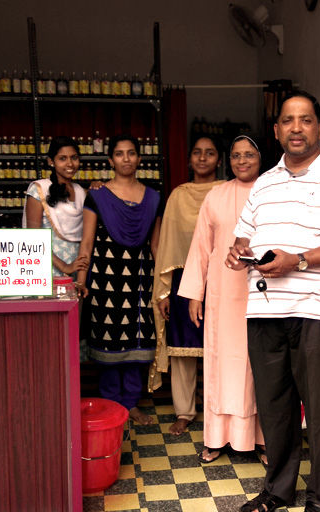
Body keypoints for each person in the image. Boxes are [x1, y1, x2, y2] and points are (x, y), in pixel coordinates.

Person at [226, 91, 320, 512]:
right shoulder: (264, 183)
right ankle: (278, 489)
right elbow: (244, 236)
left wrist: (299, 260)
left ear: (319, 128)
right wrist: (239, 252)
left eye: (305, 120)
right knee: (275, 408)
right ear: (276, 130)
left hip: (316, 312)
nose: (296, 128)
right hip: (264, 311)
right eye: (288, 120)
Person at [178, 135, 266, 464]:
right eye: (236, 155)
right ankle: (216, 438)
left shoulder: (271, 190)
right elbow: (201, 246)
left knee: (258, 366)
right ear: (228, 161)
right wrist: (195, 294)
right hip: (221, 294)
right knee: (221, 365)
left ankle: (261, 439)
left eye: (249, 155)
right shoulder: (216, 195)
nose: (242, 161)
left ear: (261, 157)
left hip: (262, 294)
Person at [77, 134, 163, 425]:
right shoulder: (97, 196)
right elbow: (87, 243)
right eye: (119, 153)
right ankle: (112, 403)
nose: (126, 159)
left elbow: (156, 246)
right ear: (110, 160)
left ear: (139, 158)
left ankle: (131, 404)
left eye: (131, 153)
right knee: (108, 343)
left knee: (137, 343)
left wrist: (162, 286)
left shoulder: (153, 198)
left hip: (140, 280)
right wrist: (81, 280)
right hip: (104, 281)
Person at [149, 136, 223, 436]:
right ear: (190, 159)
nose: (203, 158)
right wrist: (164, 291)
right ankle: (184, 411)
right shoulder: (178, 196)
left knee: (221, 347)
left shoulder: (226, 191)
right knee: (182, 349)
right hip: (182, 279)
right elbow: (166, 245)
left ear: (219, 159)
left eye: (210, 153)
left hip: (221, 278)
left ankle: (220, 410)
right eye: (197, 152)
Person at [23, 136, 88, 279]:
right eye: (62, 158)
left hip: (78, 269)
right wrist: (64, 266)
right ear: (51, 161)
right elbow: (33, 239)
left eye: (74, 157)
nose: (70, 163)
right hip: (49, 269)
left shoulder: (81, 192)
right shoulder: (39, 190)